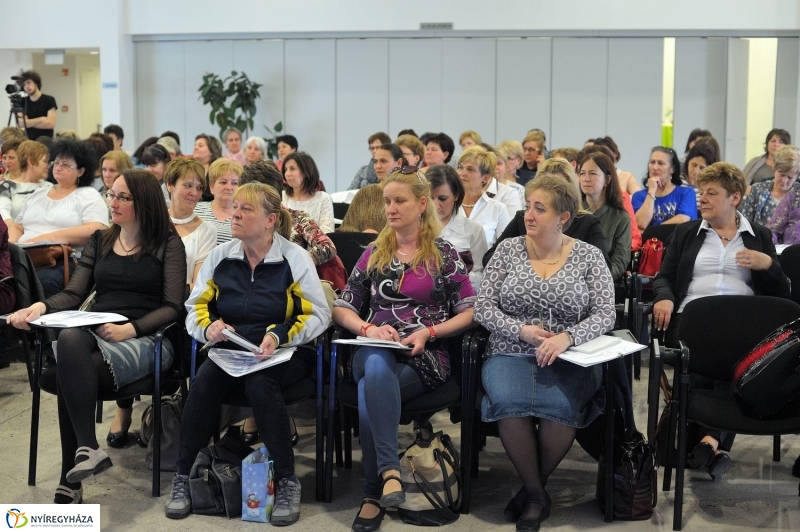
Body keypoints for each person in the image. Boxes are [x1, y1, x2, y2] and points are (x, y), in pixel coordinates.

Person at [9, 168, 186, 504]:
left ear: (144, 203)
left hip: (147, 336)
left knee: (66, 373)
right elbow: (75, 293)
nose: (112, 202)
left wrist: (130, 329)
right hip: (100, 329)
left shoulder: (167, 244)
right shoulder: (101, 240)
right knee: (72, 337)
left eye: (122, 197)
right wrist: (40, 308)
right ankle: (89, 448)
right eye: (111, 194)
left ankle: (69, 481)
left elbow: (173, 307)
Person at [167, 182, 330, 523]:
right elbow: (195, 306)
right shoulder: (221, 257)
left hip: (284, 353)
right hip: (233, 352)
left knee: (260, 383)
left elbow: (317, 313)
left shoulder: (293, 258)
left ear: (271, 220)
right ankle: (183, 475)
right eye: (235, 207)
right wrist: (209, 326)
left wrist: (279, 335)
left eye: (246, 209)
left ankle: (287, 480)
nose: (235, 214)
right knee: (204, 380)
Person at [332, 168, 475, 532]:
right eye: (387, 201)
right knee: (376, 366)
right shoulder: (374, 253)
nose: (390, 209)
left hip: (423, 353)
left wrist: (429, 331)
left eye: (400, 201)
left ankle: (371, 491)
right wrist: (369, 327)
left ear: (421, 204)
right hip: (374, 346)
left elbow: (471, 311)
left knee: (370, 388)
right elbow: (342, 306)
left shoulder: (443, 254)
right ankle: (390, 472)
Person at [476, 173, 615, 530]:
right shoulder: (508, 250)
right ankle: (537, 494)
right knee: (508, 403)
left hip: (570, 355)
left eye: (540, 209)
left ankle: (529, 492)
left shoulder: (588, 256)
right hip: (509, 350)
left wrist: (567, 337)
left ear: (563, 218)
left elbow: (605, 312)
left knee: (560, 409)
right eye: (528, 207)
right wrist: (519, 329)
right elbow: (483, 308)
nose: (530, 216)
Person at [652, 162, 788, 481]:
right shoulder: (686, 233)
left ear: (735, 198)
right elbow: (665, 277)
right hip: (692, 320)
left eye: (712, 193)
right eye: (701, 192)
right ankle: (714, 444)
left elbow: (782, 295)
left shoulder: (759, 236)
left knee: (724, 364)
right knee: (721, 369)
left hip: (742, 325)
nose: (703, 199)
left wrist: (768, 264)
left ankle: (707, 442)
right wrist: (664, 297)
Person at [12, 140, 109, 298]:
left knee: (42, 281)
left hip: (63, 260)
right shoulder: (38, 194)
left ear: (81, 171)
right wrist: (12, 247)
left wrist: (47, 238)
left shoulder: (87, 195)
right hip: (25, 257)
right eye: (56, 162)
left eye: (65, 164)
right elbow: (18, 226)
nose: (58, 167)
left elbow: (97, 228)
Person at [484, 158, 609, 267]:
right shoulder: (523, 217)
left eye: (557, 187)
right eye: (544, 185)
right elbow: (490, 258)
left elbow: (602, 267)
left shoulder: (587, 222)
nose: (549, 192)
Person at [428, 164, 488, 294]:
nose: (435, 205)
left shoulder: (473, 230)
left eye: (443, 198)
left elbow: (482, 276)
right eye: (430, 198)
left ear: (456, 195)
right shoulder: (413, 227)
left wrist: (456, 277)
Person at [578, 151, 632, 285]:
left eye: (593, 173)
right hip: (571, 282)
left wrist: (599, 281)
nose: (586, 178)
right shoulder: (572, 212)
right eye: (582, 173)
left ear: (607, 180)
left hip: (604, 283)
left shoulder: (620, 218)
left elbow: (620, 261)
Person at [456, 146, 511, 248]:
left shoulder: (498, 209)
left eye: (470, 169)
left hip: (486, 263)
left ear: (485, 178)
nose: (462, 173)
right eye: (460, 167)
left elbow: (506, 249)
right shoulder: (448, 205)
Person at [631, 146, 696, 230]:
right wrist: (652, 191)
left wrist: (652, 231)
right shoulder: (639, 196)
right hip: (648, 243)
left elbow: (683, 219)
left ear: (672, 169)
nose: (655, 167)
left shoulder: (686, 192)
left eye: (661, 163)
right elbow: (641, 223)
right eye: (652, 162)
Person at [1, 140, 52, 241]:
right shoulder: (6, 186)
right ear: (31, 162)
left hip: (44, 238)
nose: (48, 166)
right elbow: (3, 213)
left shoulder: (49, 187)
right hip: (13, 238)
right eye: (45, 161)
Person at [742, 145, 800, 227]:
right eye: (781, 174)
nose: (784, 181)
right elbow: (745, 223)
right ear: (774, 169)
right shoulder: (757, 190)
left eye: (790, 177)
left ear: (797, 176)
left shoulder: (798, 194)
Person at [282, 152, 335, 233]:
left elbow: (327, 233)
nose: (287, 174)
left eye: (292, 169)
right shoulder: (281, 197)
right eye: (285, 169)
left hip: (314, 244)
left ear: (306, 172)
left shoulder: (323, 198)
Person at [194, 158, 243, 244]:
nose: (229, 187)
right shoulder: (195, 209)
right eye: (223, 182)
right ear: (212, 187)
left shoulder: (243, 216)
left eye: (234, 183)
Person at [682, 141, 719, 215]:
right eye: (694, 165)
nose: (696, 171)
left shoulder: (713, 188)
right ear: (687, 162)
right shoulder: (676, 182)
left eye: (701, 168)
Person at [16, 70, 57, 139]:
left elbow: (50, 124)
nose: (26, 86)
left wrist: (28, 122)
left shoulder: (49, 100)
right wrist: (41, 119)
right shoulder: (23, 101)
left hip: (46, 140)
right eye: (24, 85)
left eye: (29, 83)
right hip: (29, 140)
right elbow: (21, 123)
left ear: (36, 83)